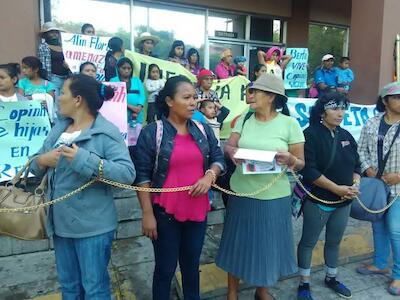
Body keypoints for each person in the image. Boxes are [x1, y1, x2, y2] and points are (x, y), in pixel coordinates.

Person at [29, 74, 135, 299]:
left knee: (94, 289)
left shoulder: (105, 133)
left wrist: (83, 160)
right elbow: (36, 164)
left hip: (93, 228)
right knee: (69, 288)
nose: (58, 98)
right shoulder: (59, 129)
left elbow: (127, 174)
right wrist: (41, 161)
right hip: (60, 225)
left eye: (63, 93)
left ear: (78, 99)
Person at [132, 75, 225, 300]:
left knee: (192, 268)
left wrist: (210, 175)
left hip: (197, 213)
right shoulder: (152, 132)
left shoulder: (203, 130)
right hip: (165, 215)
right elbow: (142, 176)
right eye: (186, 97)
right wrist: (147, 214)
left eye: (194, 97)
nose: (193, 102)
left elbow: (218, 157)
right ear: (169, 101)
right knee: (165, 270)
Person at [216, 73, 305, 300]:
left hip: (274, 197)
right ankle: (232, 293)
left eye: (255, 92)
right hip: (241, 192)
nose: (250, 95)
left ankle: (262, 290)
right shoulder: (245, 117)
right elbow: (229, 145)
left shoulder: (289, 124)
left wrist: (290, 160)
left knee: (267, 247)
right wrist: (231, 152)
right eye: (250, 91)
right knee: (237, 244)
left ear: (272, 97)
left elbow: (301, 162)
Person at [297, 92, 361, 300]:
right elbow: (310, 171)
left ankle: (331, 277)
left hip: (344, 201)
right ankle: (304, 283)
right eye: (335, 108)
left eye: (343, 108)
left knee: (334, 241)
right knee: (308, 242)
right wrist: (337, 189)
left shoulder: (347, 136)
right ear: (322, 112)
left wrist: (355, 183)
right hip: (318, 201)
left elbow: (357, 165)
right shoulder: (310, 134)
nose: (340, 113)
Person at [356, 82, 400, 296]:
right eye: (397, 97)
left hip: (398, 187)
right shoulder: (371, 123)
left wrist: (399, 176)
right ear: (385, 101)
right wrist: (367, 169)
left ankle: (399, 274)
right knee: (378, 224)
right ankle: (381, 262)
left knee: (395, 228)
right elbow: (360, 149)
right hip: (376, 185)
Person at [110, 57, 145, 148]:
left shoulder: (137, 80)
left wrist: (138, 108)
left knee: (135, 143)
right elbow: (113, 99)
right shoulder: (113, 81)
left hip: (136, 116)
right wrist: (131, 107)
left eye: (129, 68)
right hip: (120, 117)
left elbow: (142, 96)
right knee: (120, 144)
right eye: (124, 68)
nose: (126, 71)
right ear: (118, 68)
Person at [37, 21, 70, 115]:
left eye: (56, 32)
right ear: (46, 34)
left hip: (67, 78)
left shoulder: (65, 46)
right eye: (51, 32)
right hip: (53, 78)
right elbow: (42, 65)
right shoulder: (43, 47)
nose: (54, 34)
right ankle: (56, 124)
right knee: (55, 103)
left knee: (66, 101)